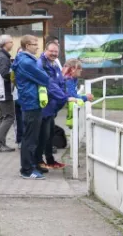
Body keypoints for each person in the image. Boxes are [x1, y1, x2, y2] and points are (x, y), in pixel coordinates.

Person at [11, 35, 49, 180]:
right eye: (35, 44)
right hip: (31, 102)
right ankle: (26, 170)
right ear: (27, 46)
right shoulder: (27, 62)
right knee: (30, 138)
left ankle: (30, 166)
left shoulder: (26, 60)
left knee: (32, 137)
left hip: (31, 101)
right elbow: (44, 78)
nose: (37, 47)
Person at [36, 41, 76, 171]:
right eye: (51, 51)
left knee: (50, 134)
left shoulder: (54, 64)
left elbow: (59, 82)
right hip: (44, 107)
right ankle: (39, 161)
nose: (54, 54)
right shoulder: (42, 64)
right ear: (45, 50)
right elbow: (50, 85)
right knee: (43, 135)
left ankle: (50, 160)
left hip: (52, 107)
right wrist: (65, 97)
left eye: (56, 52)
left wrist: (68, 81)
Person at [0, 35, 16, 152]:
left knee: (1, 117)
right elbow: (5, 73)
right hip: (4, 91)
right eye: (11, 42)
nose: (13, 43)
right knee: (10, 117)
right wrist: (16, 74)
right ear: (6, 43)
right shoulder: (3, 57)